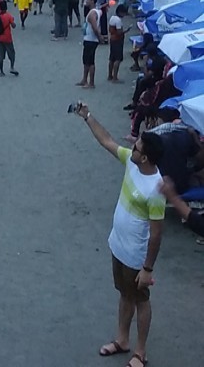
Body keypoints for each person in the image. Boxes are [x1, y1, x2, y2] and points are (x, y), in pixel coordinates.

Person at [73, 103, 164, 367]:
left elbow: (157, 234)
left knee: (141, 300)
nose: (133, 145)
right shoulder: (132, 163)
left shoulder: (155, 189)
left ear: (145, 157)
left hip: (137, 256)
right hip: (119, 246)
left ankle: (140, 351)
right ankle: (122, 339)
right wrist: (88, 116)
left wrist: (148, 269)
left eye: (137, 146)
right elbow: (107, 141)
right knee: (125, 295)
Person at [78, 1, 104, 88]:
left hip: (91, 40)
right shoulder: (96, 12)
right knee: (86, 60)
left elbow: (95, 27)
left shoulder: (92, 13)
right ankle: (84, 79)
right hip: (89, 39)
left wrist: (99, 37)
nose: (86, 1)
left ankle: (91, 83)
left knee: (90, 61)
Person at [0, 1, 18, 77]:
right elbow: (14, 26)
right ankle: (12, 67)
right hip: (8, 38)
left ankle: (1, 71)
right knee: (11, 53)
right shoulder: (8, 16)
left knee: (0, 55)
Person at [107, 4, 130, 83]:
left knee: (112, 58)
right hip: (118, 40)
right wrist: (126, 30)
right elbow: (119, 32)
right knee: (118, 59)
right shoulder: (118, 21)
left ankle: (110, 75)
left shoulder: (112, 18)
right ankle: (115, 77)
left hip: (112, 39)